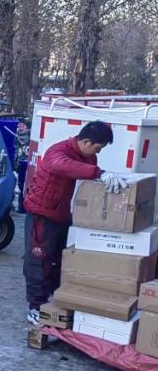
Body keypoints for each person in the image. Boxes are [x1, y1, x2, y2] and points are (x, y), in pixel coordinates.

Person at [22, 121, 118, 324]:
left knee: (58, 260)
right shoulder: (58, 151)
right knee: (39, 262)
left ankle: (55, 302)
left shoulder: (88, 155)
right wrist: (99, 173)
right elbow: (62, 165)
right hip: (41, 214)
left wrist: (109, 179)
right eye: (97, 148)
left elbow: (91, 171)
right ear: (86, 141)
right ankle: (35, 307)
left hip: (61, 215)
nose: (97, 153)